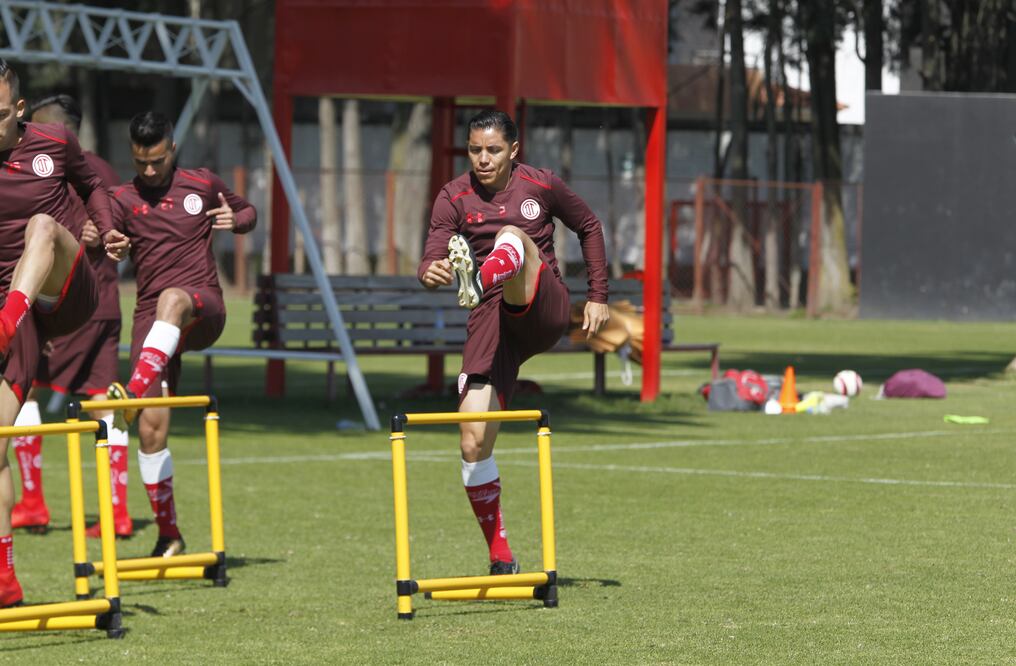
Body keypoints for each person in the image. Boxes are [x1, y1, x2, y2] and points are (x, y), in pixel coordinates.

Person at [417, 110, 610, 575]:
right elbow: (428, 262)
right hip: (490, 320)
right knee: (471, 440)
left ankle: (482, 275)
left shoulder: (541, 184)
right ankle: (500, 554)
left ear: (514, 150)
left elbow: (589, 226)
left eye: (493, 150)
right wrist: (432, 272)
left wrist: (599, 296)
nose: (483, 159)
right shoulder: (453, 197)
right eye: (475, 150)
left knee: (512, 237)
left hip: (540, 302)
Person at [0, 58, 129, 607]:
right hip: (20, 317)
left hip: (68, 289)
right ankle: (5, 577)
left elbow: (94, 181)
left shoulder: (53, 143)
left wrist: (109, 224)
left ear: (19, 110)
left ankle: (6, 320)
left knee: (43, 227)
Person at [106, 110, 256, 558]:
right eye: (140, 162)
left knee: (172, 297)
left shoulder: (202, 183)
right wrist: (108, 240)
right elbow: (101, 234)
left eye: (156, 160)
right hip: (151, 321)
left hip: (202, 306)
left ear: (172, 149)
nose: (149, 171)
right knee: (151, 432)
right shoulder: (122, 196)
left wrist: (238, 219)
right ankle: (169, 535)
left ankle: (130, 392)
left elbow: (248, 210)